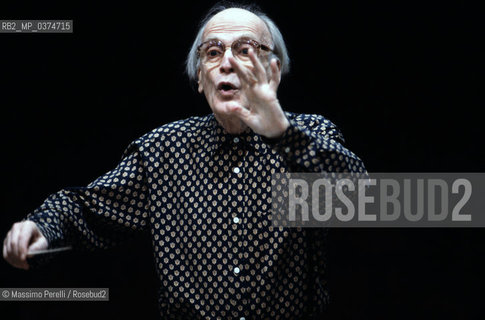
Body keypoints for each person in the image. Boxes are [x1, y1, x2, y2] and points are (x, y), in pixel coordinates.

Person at [3, 2, 366, 319]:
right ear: (199, 80)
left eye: (245, 50)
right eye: (212, 52)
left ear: (273, 71)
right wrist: (43, 227)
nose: (226, 62)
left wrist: (283, 135)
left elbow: (362, 203)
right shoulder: (164, 150)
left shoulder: (311, 132)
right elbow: (87, 209)